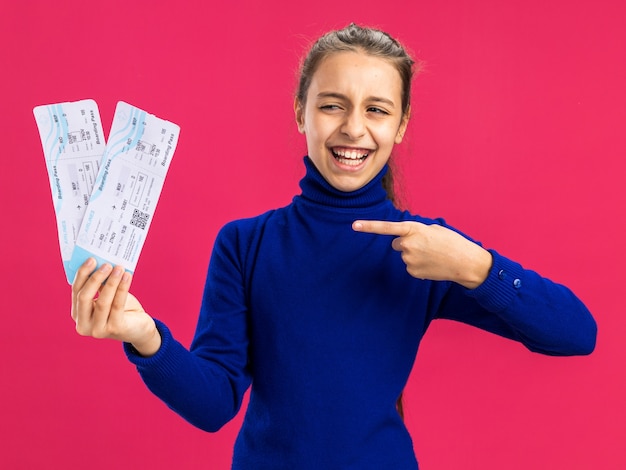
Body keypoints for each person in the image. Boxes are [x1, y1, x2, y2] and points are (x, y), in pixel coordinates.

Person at [71, 23, 597, 470]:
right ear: (300, 112)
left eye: (377, 110)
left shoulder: (427, 250)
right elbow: (213, 404)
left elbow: (576, 332)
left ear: (401, 125)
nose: (353, 128)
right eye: (332, 105)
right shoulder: (245, 244)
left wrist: (477, 267)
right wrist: (146, 338)